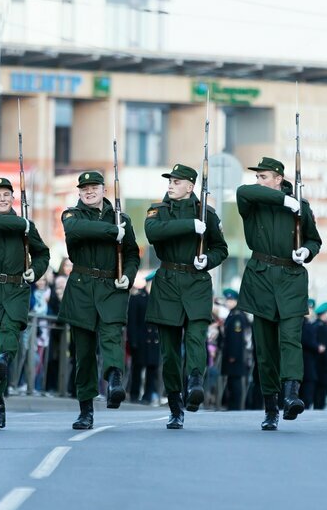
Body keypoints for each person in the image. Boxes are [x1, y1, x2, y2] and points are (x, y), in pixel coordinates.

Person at [236, 157, 322, 431]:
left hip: (291, 278)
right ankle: (270, 406)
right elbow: (242, 191)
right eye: (258, 176)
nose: (258, 181)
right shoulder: (253, 201)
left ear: (279, 179)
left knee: (290, 340)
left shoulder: (301, 207)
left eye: (264, 177)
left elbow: (314, 240)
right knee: (265, 348)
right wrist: (284, 201)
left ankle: (291, 394)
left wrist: (306, 251)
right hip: (261, 278)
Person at [144, 164, 228, 428]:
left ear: (191, 186)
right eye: (170, 181)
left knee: (195, 338)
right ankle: (174, 404)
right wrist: (190, 225)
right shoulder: (158, 210)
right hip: (168, 282)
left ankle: (194, 382)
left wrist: (207, 259)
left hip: (196, 282)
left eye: (177, 182)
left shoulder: (207, 214)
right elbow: (153, 232)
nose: (171, 185)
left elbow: (221, 249)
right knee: (169, 352)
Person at [59, 171, 139, 430]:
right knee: (83, 353)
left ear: (104, 189)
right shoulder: (72, 215)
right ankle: (86, 410)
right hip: (82, 287)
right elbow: (76, 231)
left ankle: (114, 380)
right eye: (84, 188)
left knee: (112, 337)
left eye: (94, 187)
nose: (89, 191)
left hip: (110, 287)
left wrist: (127, 275)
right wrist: (111, 231)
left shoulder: (122, 219)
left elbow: (131, 255)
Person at [0, 178, 50, 430]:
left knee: (10, 332)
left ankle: (6, 358)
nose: (2, 199)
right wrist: (22, 224)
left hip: (15, 289)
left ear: (13, 198)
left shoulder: (26, 226)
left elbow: (42, 253)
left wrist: (34, 272)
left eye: (7, 194)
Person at [127, 273, 160, 405]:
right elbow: (132, 322)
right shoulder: (137, 299)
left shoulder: (159, 300)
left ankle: (148, 395)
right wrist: (133, 340)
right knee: (137, 368)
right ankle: (134, 394)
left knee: (152, 369)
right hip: (141, 339)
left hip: (154, 339)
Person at [220, 289, 250, 411]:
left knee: (235, 382)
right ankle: (232, 405)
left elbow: (236, 339)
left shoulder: (237, 317)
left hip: (235, 355)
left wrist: (233, 355)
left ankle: (236, 406)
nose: (228, 302)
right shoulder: (232, 315)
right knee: (232, 381)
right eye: (227, 300)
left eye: (231, 300)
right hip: (231, 354)